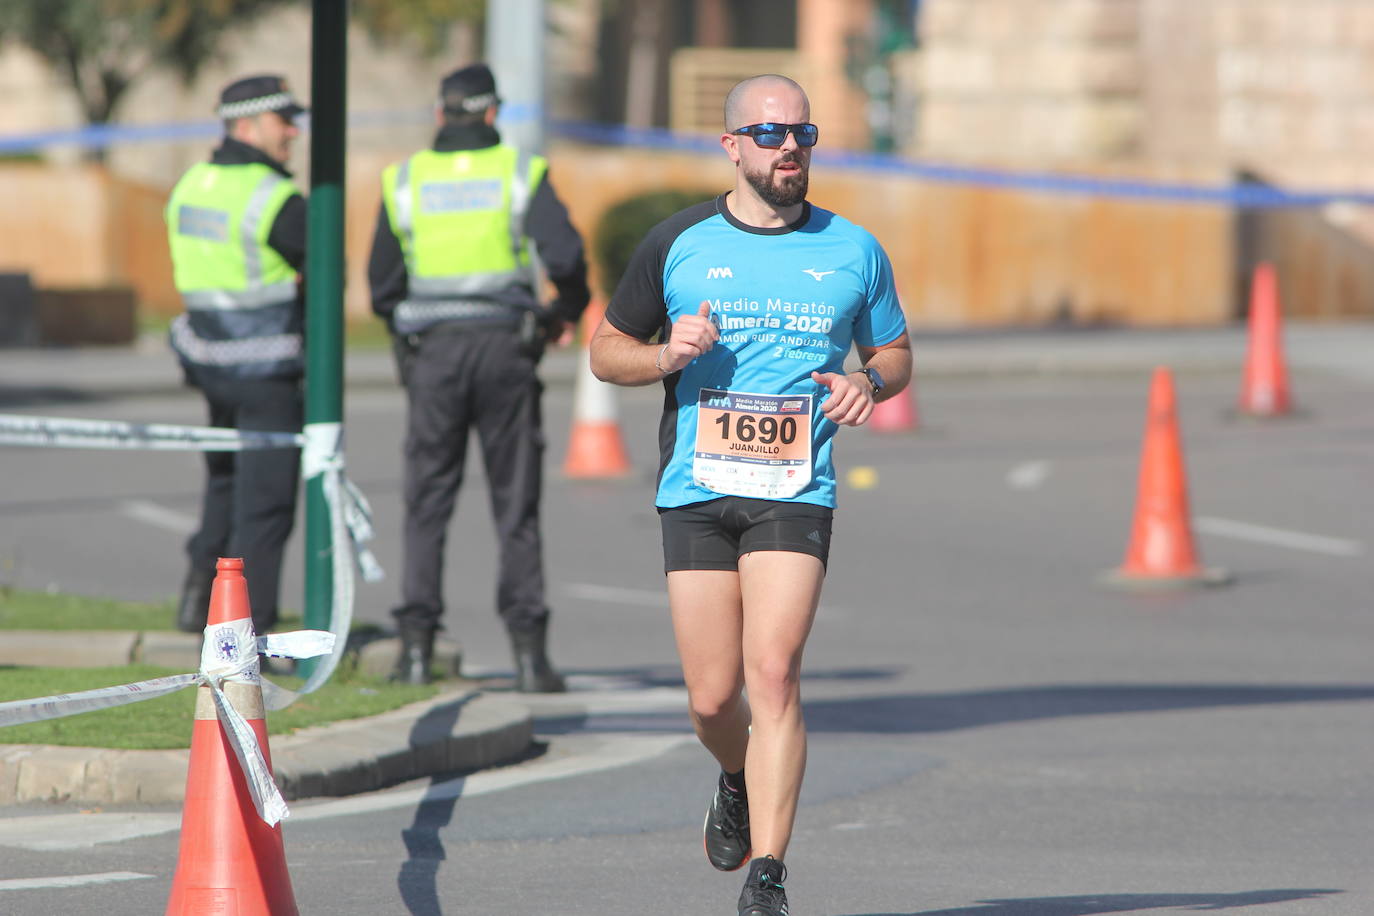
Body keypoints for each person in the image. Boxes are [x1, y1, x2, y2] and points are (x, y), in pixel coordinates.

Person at [589, 74, 912, 916]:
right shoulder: (678, 242)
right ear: (731, 146)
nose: (789, 150)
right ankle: (733, 772)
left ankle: (769, 875)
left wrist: (868, 383)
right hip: (696, 486)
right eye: (770, 135)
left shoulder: (854, 248)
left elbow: (897, 352)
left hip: (794, 490)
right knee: (711, 697)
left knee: (773, 675)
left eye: (802, 135)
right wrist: (664, 355)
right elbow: (605, 351)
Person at [369, 63, 591, 691]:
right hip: (505, 350)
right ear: (493, 114)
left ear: (441, 113)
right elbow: (568, 259)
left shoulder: (405, 179)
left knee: (426, 501)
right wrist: (559, 315)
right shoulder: (520, 173)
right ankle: (529, 659)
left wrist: (410, 334)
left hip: (435, 354)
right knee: (514, 503)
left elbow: (382, 285)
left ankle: (415, 651)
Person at [166, 74, 308, 636]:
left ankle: (196, 598)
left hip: (208, 364)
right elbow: (323, 275)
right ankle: (248, 632)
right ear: (247, 126)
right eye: (284, 121)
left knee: (223, 484)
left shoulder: (189, 185)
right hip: (265, 368)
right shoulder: (273, 197)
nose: (294, 133)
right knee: (266, 506)